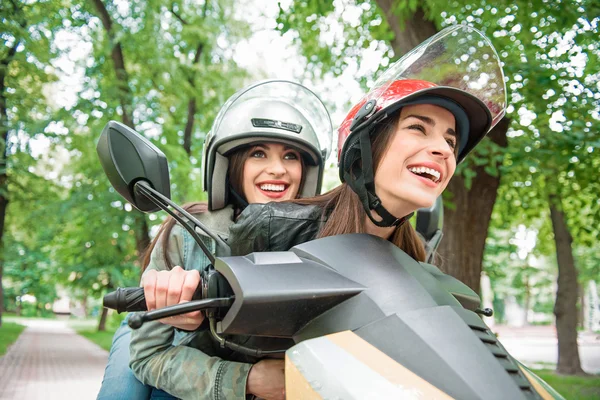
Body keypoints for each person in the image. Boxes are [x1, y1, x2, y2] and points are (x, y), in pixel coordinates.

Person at [132, 25, 507, 400]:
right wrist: (190, 317)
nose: (443, 149)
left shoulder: (414, 259)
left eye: (450, 140)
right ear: (366, 148)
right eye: (418, 128)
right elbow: (149, 353)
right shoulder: (238, 230)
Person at [96, 80, 333, 400]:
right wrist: (246, 380)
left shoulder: (328, 242)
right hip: (182, 365)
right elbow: (149, 354)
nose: (277, 169)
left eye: (291, 156)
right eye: (259, 153)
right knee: (122, 394)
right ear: (230, 166)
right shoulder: (186, 232)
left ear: (307, 171)